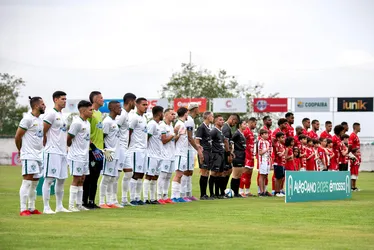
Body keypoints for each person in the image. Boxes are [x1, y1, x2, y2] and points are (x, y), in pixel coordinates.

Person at [15, 96, 46, 216]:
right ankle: (23, 209)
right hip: (29, 154)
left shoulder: (39, 120)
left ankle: (32, 207)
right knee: (27, 181)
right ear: (36, 105)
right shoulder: (27, 119)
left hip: (38, 155)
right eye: (43, 104)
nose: (45, 106)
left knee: (35, 183)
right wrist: (20, 149)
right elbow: (18, 136)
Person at [42, 91, 70, 214]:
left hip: (63, 152)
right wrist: (45, 145)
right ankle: (46, 207)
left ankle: (59, 206)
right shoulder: (50, 114)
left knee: (62, 179)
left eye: (65, 99)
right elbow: (42, 131)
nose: (65, 101)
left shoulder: (63, 115)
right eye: (62, 99)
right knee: (49, 179)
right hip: (52, 151)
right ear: (55, 100)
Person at [67, 100, 93, 212]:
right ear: (83, 110)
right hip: (76, 156)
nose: (92, 112)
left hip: (85, 155)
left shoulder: (87, 123)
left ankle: (79, 204)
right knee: (76, 179)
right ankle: (71, 205)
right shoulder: (77, 122)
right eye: (90, 110)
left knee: (82, 179)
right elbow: (68, 138)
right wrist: (72, 149)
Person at [83, 91, 104, 209]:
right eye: (101, 98)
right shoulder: (90, 114)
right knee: (89, 176)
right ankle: (84, 201)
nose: (103, 100)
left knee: (96, 176)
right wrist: (93, 148)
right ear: (95, 99)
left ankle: (92, 201)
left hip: (100, 150)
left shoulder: (99, 113)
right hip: (92, 150)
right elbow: (87, 133)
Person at [99, 101, 122, 208]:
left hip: (116, 153)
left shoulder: (114, 121)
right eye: (118, 107)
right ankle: (101, 201)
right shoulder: (107, 122)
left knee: (113, 178)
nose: (120, 108)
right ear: (112, 108)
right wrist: (104, 150)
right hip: (109, 154)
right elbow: (101, 138)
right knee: (106, 177)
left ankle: (110, 201)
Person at [116, 93, 137, 207]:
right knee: (116, 174)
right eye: (134, 101)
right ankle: (112, 200)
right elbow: (115, 129)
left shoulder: (127, 115)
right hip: (120, 148)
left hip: (126, 148)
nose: (135, 104)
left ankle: (124, 199)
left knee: (129, 173)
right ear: (130, 102)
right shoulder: (122, 114)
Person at [128, 98, 148, 205]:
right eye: (144, 105)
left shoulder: (144, 118)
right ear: (137, 105)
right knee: (135, 174)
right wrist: (128, 147)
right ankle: (132, 198)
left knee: (141, 174)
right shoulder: (134, 118)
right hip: (136, 150)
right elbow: (129, 132)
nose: (146, 106)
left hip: (143, 149)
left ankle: (137, 197)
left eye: (146, 105)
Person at [143, 106, 164, 205]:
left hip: (158, 155)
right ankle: (145, 199)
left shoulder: (158, 125)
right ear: (160, 113)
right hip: (151, 155)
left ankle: (152, 198)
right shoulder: (151, 124)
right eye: (163, 113)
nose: (163, 115)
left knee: (155, 177)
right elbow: (147, 138)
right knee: (149, 176)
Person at [183, 103, 204, 201]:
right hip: (187, 149)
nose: (199, 110)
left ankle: (189, 194)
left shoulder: (191, 120)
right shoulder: (189, 120)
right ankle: (183, 195)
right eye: (198, 108)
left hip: (190, 148)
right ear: (195, 109)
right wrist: (197, 149)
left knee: (190, 172)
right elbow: (189, 138)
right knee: (186, 172)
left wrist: (197, 145)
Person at [158, 109, 178, 203]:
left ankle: (165, 196)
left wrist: (177, 135)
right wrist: (174, 134)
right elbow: (164, 140)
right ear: (165, 115)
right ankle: (159, 196)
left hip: (171, 154)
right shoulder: (162, 125)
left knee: (168, 176)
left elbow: (172, 140)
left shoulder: (171, 126)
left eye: (174, 114)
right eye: (172, 114)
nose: (174, 116)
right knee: (163, 175)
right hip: (164, 155)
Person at [171, 107, 189, 203]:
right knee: (178, 174)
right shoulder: (179, 124)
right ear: (185, 114)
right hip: (179, 153)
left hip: (183, 153)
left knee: (180, 174)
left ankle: (177, 196)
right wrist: (176, 134)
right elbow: (174, 139)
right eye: (187, 113)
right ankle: (174, 196)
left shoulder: (182, 124)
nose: (188, 115)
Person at [195, 111, 214, 200]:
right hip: (204, 152)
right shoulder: (201, 127)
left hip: (209, 152)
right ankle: (202, 194)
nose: (213, 117)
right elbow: (197, 142)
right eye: (212, 116)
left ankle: (205, 194)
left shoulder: (208, 128)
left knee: (207, 172)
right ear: (207, 117)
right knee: (204, 172)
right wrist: (200, 154)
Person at [222, 114, 239, 195]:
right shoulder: (226, 128)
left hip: (227, 152)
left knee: (228, 170)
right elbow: (225, 142)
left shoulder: (227, 127)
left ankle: (223, 190)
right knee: (225, 172)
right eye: (235, 122)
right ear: (232, 119)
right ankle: (222, 191)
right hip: (224, 153)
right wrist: (228, 154)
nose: (234, 125)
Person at [210, 115, 226, 198]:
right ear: (215, 121)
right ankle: (211, 193)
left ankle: (217, 193)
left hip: (221, 154)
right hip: (215, 154)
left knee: (220, 173)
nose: (222, 121)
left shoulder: (220, 131)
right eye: (220, 120)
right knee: (214, 173)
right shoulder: (214, 131)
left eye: (223, 120)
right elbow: (209, 141)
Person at [240, 117, 257, 197]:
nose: (255, 126)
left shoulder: (251, 132)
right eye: (255, 124)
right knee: (244, 172)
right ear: (250, 122)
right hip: (246, 155)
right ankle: (240, 191)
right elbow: (240, 141)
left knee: (249, 173)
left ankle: (247, 191)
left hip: (251, 156)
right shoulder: (246, 131)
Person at [231, 119, 248, 197]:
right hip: (237, 156)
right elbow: (231, 141)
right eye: (244, 124)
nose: (246, 125)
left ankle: (236, 192)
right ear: (240, 125)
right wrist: (232, 151)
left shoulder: (242, 134)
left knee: (239, 176)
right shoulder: (237, 133)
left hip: (242, 156)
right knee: (235, 175)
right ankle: (233, 192)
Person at [257, 116, 273, 196]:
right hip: (262, 161)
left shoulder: (267, 142)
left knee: (265, 176)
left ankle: (264, 190)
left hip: (267, 161)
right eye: (265, 134)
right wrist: (266, 149)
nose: (267, 135)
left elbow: (269, 153)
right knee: (262, 175)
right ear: (261, 135)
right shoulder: (260, 142)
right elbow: (260, 153)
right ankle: (261, 191)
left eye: (267, 134)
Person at [273, 132, 286, 197]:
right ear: (278, 138)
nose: (284, 139)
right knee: (278, 178)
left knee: (281, 178)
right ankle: (276, 192)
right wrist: (284, 151)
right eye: (282, 137)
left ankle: (279, 191)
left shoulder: (282, 145)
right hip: (278, 163)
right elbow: (279, 155)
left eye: (284, 137)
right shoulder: (277, 145)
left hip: (282, 163)